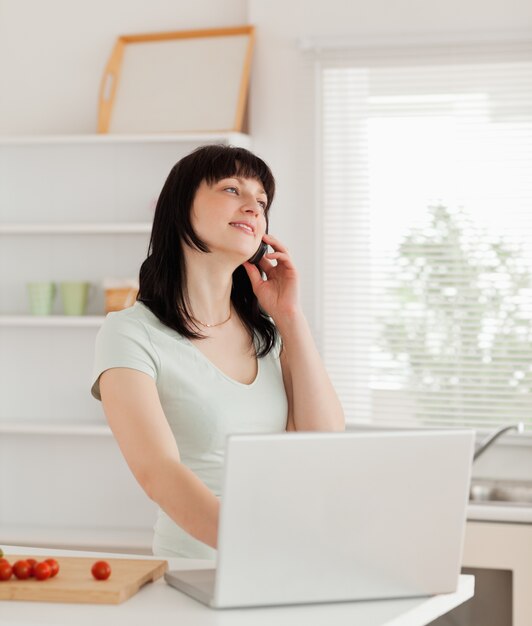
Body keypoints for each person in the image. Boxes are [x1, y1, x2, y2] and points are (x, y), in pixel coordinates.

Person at [90, 144, 345, 559]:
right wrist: (254, 546)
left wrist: (290, 315)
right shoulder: (130, 334)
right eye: (232, 189)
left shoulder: (270, 335)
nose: (253, 207)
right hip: (199, 568)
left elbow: (324, 441)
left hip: (284, 561)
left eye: (262, 202)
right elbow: (159, 472)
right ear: (179, 209)